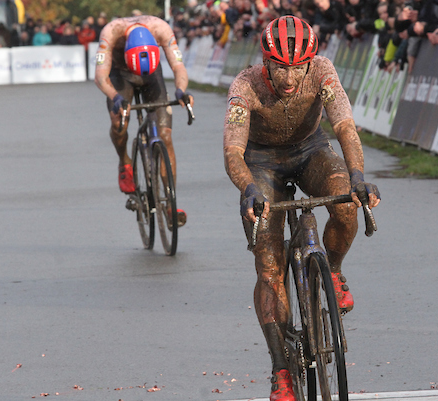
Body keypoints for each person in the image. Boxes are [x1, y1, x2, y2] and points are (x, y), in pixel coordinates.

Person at [223, 16, 380, 401]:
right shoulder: (245, 85)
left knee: (345, 203)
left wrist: (358, 174)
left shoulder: (323, 71)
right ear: (266, 62)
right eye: (280, 66)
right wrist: (247, 189)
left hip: (311, 151)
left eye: (297, 66)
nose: (290, 76)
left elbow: (344, 125)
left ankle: (335, 272)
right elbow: (232, 150)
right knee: (269, 265)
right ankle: (281, 370)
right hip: (260, 163)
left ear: (310, 61)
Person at [94, 15, 194, 225]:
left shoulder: (161, 28)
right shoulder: (111, 32)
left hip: (151, 74)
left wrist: (180, 91)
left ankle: (170, 205)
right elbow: (101, 77)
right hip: (120, 75)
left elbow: (178, 67)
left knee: (165, 136)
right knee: (118, 121)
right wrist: (116, 97)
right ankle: (125, 161)